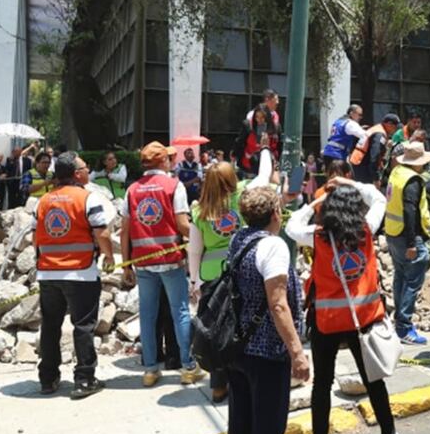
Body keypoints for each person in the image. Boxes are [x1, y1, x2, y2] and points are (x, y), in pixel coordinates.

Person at [285, 179, 402, 434]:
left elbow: (292, 224)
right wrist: (350, 183)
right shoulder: (367, 230)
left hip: (326, 320)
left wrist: (315, 202)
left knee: (322, 385)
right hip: (362, 320)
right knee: (373, 379)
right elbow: (378, 199)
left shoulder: (317, 236)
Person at [223, 185, 310, 434]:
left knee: (241, 424)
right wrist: (298, 352)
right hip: (267, 351)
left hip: (238, 348)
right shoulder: (273, 246)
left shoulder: (239, 239)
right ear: (275, 214)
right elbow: (278, 303)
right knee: (268, 429)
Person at [189, 151, 272, 402]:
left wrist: (194, 280)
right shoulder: (244, 195)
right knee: (241, 325)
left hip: (211, 275)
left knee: (215, 327)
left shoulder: (199, 210)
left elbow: (194, 249)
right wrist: (266, 150)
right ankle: (242, 378)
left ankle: (218, 385)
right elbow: (265, 174)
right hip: (241, 269)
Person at [122, 142, 203, 387]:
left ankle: (149, 370)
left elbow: (125, 231)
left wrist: (126, 265)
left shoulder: (132, 190)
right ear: (162, 162)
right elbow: (181, 223)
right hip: (169, 260)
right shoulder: (173, 185)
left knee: (147, 315)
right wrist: (201, 236)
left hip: (143, 261)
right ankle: (188, 367)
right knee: (180, 311)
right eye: (168, 158)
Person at [35, 152, 114, 399]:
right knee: (83, 327)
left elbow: (34, 238)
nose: (88, 171)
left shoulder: (43, 201)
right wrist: (109, 257)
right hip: (80, 273)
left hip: (48, 274)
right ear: (77, 173)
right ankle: (84, 379)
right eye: (85, 167)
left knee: (50, 326)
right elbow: (101, 233)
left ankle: (48, 378)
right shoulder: (88, 199)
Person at [384, 142, 430, 345]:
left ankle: (400, 323)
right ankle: (404, 327)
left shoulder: (396, 173)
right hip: (408, 236)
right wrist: (413, 243)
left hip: (393, 233)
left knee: (400, 277)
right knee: (412, 282)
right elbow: (410, 211)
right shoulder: (412, 180)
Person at [350, 114, 400, 185]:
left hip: (357, 163)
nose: (395, 130)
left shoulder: (376, 129)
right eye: (395, 127)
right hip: (363, 165)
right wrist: (375, 177)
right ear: (389, 124)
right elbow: (375, 156)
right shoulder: (380, 134)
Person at [235, 104, 281, 177]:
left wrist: (277, 169)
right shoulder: (248, 126)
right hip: (249, 167)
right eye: (257, 117)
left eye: (263, 117)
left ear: (267, 117)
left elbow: (278, 148)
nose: (259, 120)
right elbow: (240, 143)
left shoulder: (276, 128)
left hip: (271, 166)